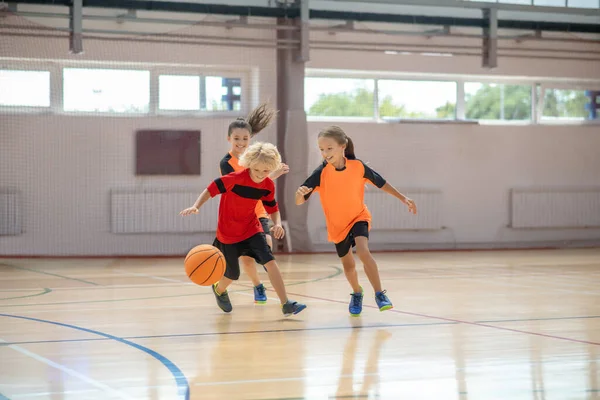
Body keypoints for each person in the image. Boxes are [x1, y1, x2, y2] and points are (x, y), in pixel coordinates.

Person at [295, 125, 417, 316]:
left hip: (358, 216)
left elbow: (381, 182)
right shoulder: (321, 173)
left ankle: (379, 294)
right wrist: (299, 194)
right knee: (348, 265)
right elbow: (300, 200)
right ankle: (357, 293)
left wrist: (403, 198)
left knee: (363, 250)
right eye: (321, 149)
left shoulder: (358, 167)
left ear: (342, 146)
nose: (325, 153)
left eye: (329, 148)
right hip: (337, 226)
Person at [180, 142, 306, 316]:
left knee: (270, 262)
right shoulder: (234, 179)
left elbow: (272, 208)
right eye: (257, 170)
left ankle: (286, 303)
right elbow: (210, 189)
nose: (261, 175)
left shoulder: (268, 185)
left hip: (251, 229)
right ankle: (219, 289)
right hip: (228, 234)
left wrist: (276, 223)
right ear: (249, 164)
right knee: (232, 275)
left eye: (266, 171)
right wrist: (196, 206)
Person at [219, 103, 288, 304]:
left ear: (251, 139)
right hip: (236, 215)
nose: (241, 142)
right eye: (236, 138)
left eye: (245, 138)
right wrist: (272, 175)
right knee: (247, 260)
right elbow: (244, 187)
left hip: (257, 211)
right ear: (229, 139)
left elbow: (260, 185)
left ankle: (281, 297)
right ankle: (258, 285)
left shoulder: (257, 157)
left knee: (266, 245)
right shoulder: (227, 163)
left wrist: (270, 173)